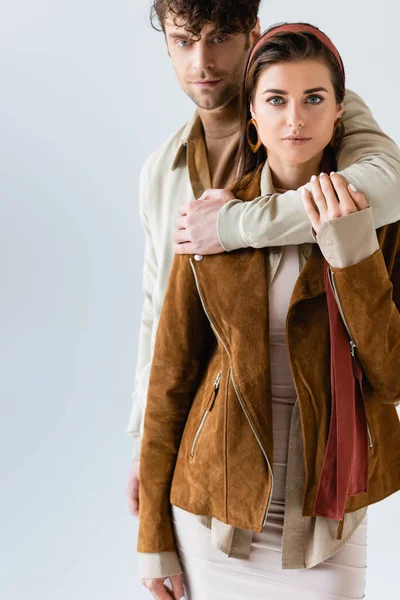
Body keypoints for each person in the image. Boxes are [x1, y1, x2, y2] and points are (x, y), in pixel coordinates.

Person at [135, 22, 400, 600]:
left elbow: (392, 376)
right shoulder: (209, 221)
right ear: (252, 115)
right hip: (215, 508)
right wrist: (152, 534)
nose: (295, 120)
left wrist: (354, 251)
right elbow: (171, 382)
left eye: (314, 99)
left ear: (340, 114)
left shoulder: (383, 225)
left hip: (327, 513)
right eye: (276, 101)